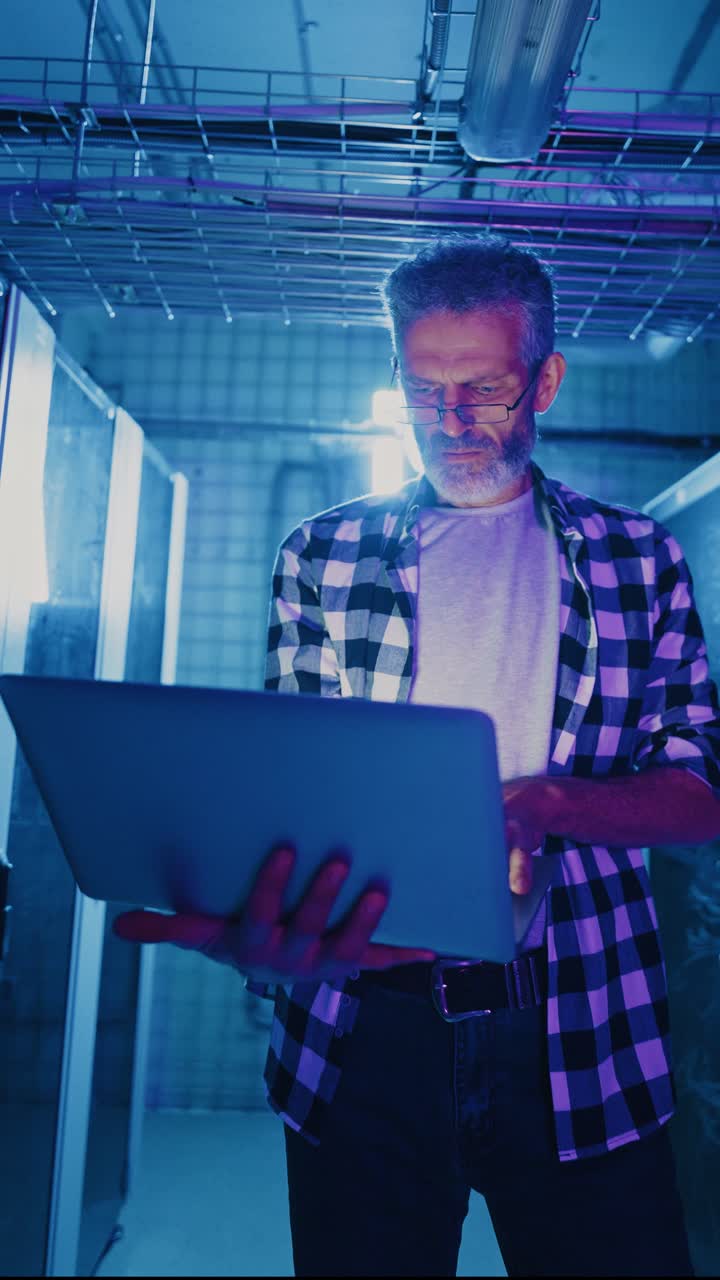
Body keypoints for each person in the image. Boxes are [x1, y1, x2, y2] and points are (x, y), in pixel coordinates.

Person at [115, 233, 720, 1277]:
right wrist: (274, 914)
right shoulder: (323, 552)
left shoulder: (638, 557)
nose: (451, 421)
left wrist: (543, 802)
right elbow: (301, 781)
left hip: (585, 1020)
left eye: (482, 387)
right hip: (365, 1034)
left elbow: (701, 793)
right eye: (422, 387)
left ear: (546, 379)